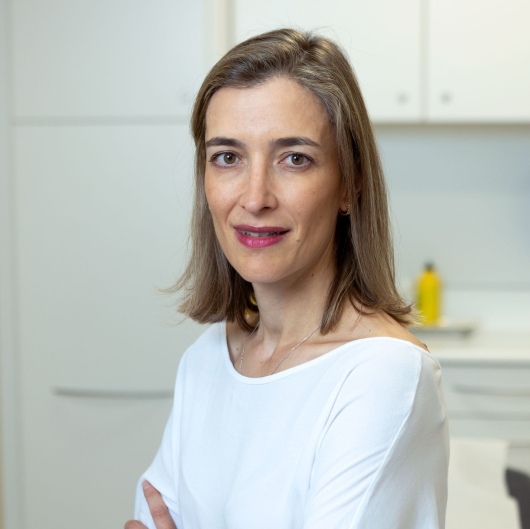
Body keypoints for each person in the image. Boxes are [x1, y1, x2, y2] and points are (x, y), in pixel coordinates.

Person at [125, 28, 449, 529]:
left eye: (294, 159)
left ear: (350, 184)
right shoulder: (207, 360)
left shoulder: (384, 376)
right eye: (227, 157)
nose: (255, 198)